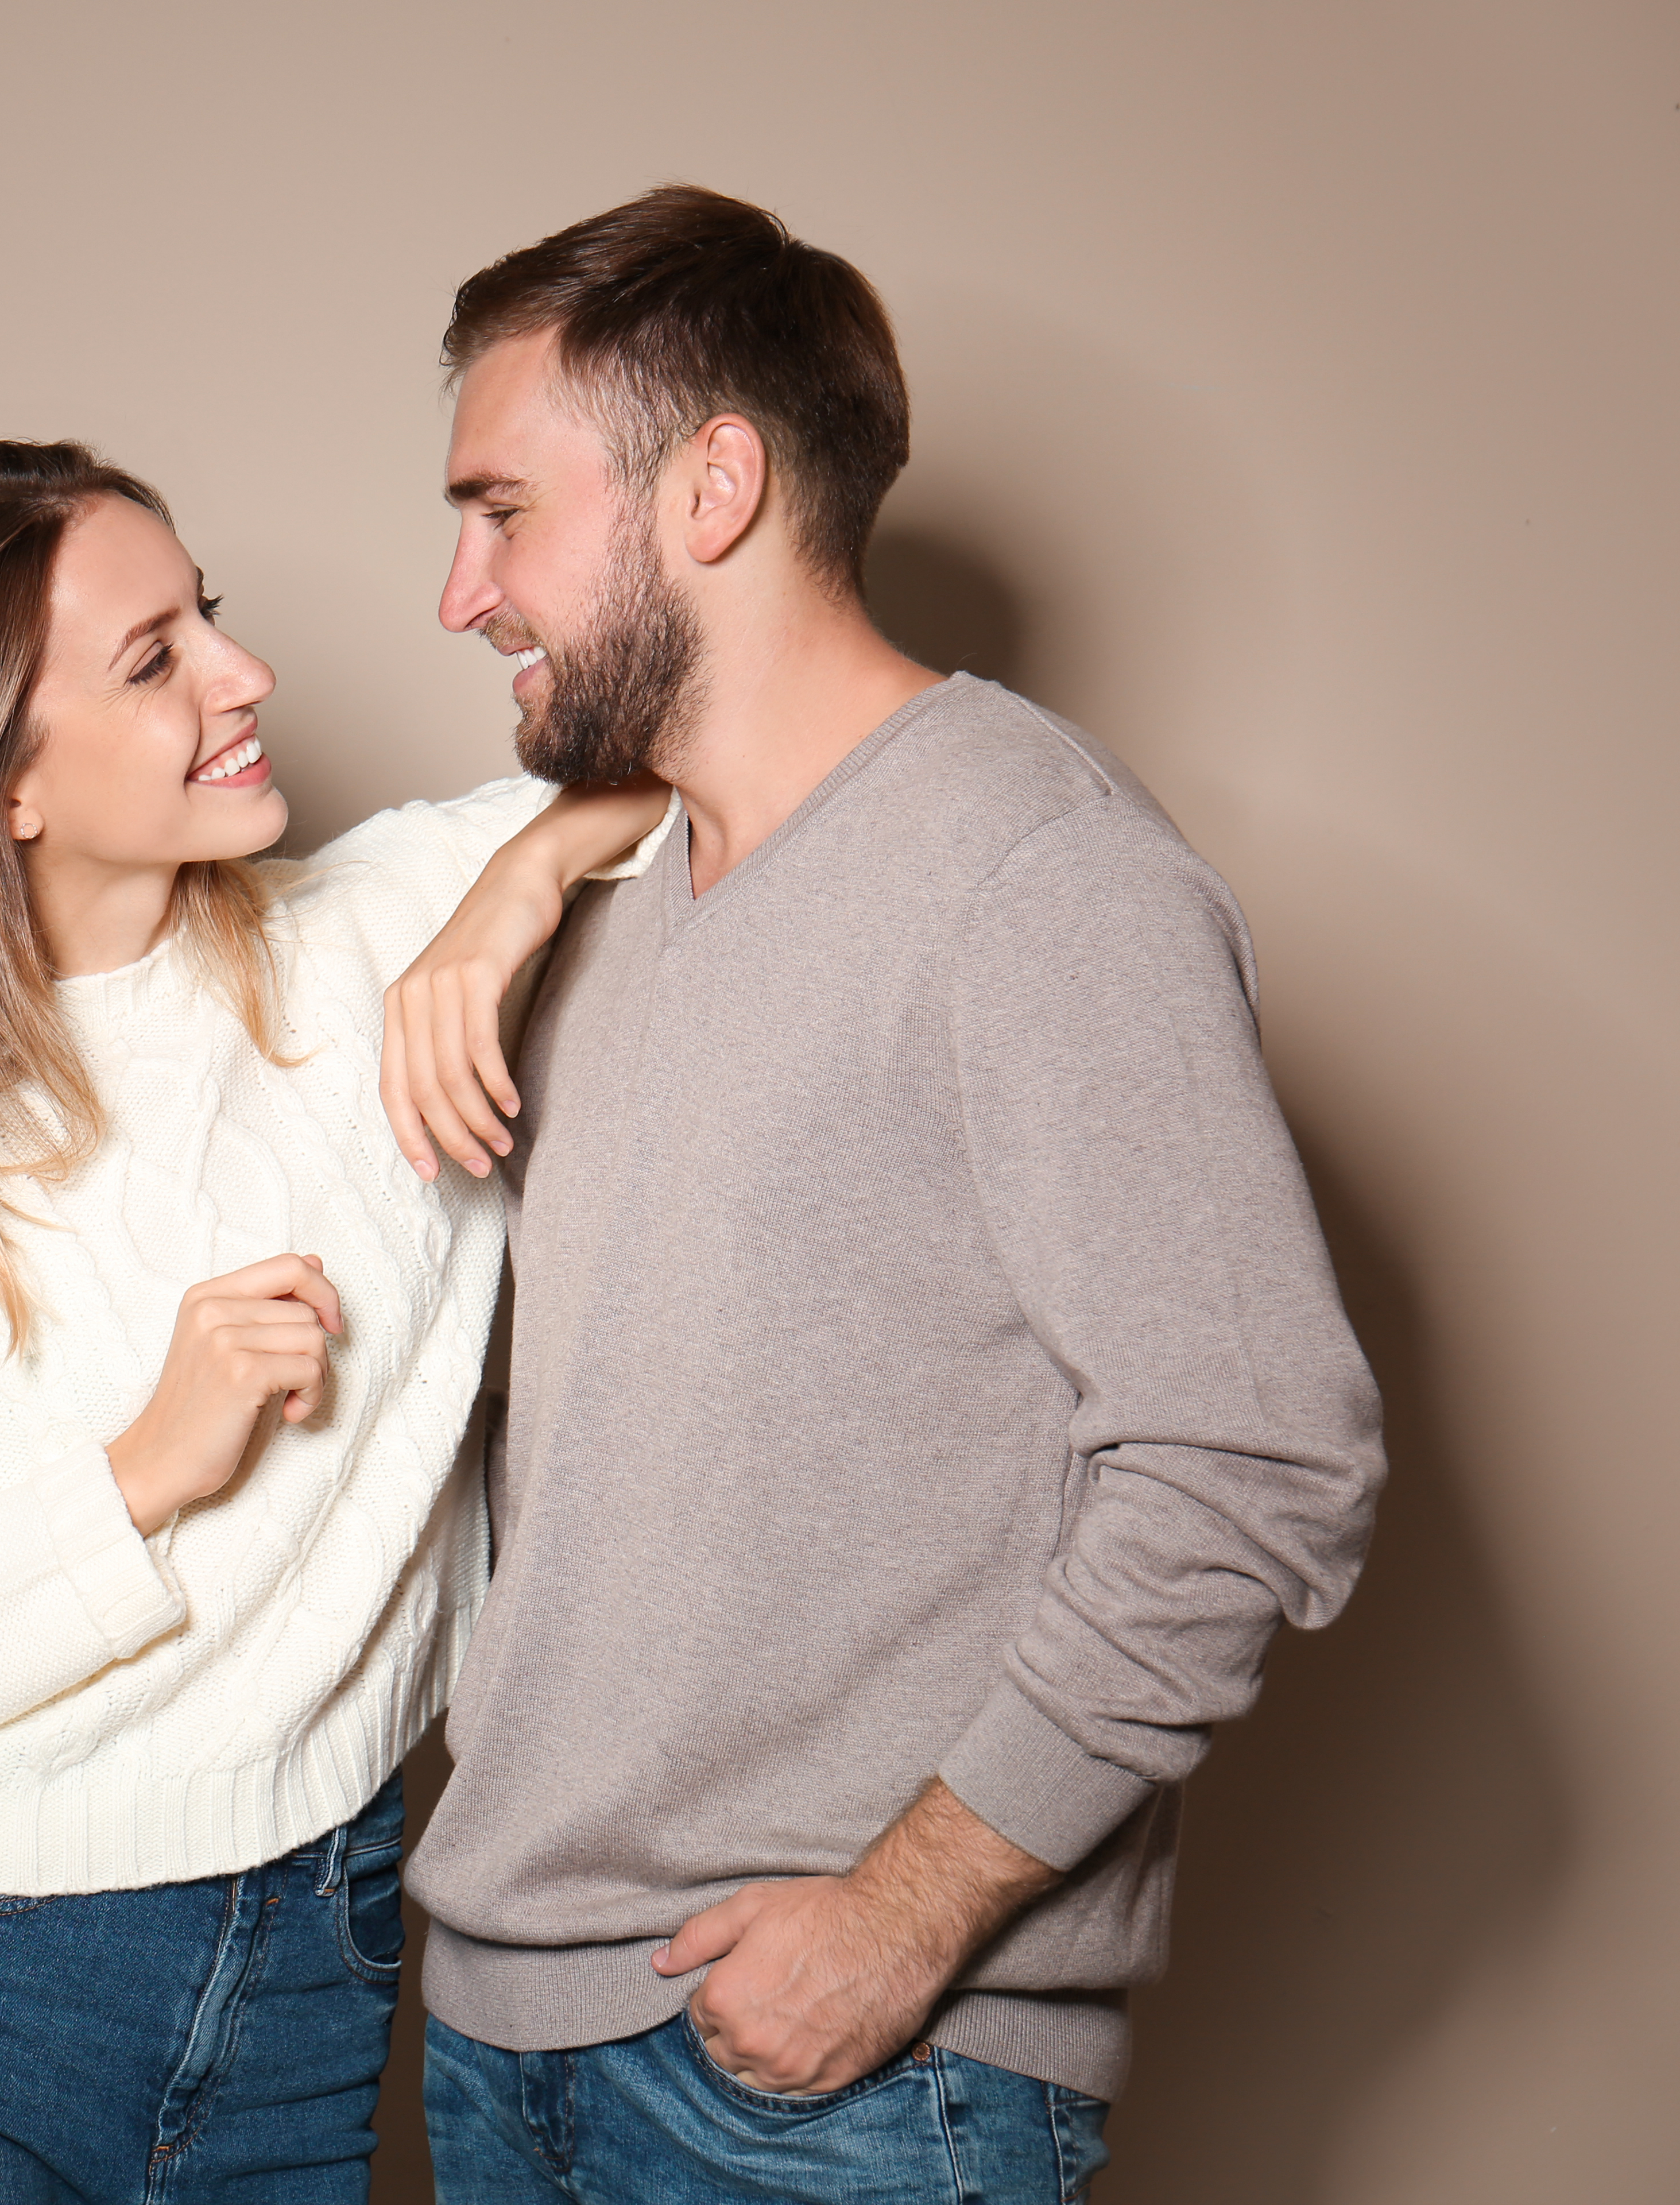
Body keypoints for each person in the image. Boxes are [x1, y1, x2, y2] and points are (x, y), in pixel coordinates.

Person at [371, 186, 1387, 2203]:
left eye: (503, 511)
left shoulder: (1041, 876)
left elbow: (1256, 1457)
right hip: (503, 2043)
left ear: (713, 487)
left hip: (830, 2087)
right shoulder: (608, 906)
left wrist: (913, 1916)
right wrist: (528, 876)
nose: (459, 591)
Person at [0, 440, 673, 2202]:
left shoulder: (382, 936)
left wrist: (517, 887)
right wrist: (131, 1475)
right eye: (154, 659)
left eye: (211, 614)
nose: (242, 673)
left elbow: (731, 763)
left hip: (311, 1976)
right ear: (7, 781)